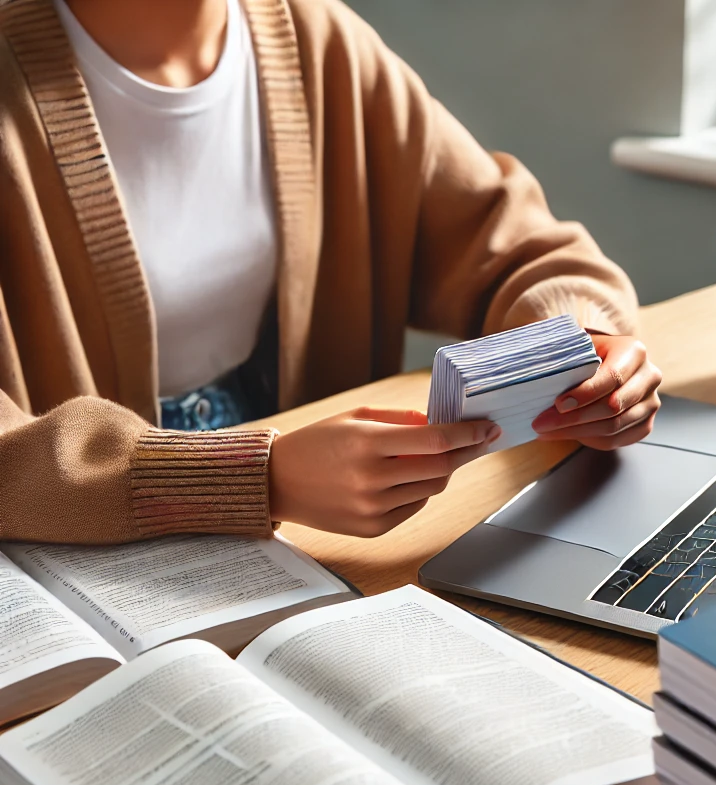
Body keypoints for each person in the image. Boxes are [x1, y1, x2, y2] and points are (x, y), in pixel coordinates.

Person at [0, 0, 661, 545]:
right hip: (84, 581)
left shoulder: (316, 41)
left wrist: (580, 352)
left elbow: (530, 252)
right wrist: (260, 478)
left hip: (316, 556)